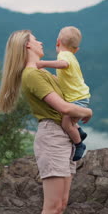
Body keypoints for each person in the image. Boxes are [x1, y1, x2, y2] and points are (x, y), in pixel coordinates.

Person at [0, 30, 92, 214]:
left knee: (61, 206)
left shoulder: (43, 72)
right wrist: (87, 111)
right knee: (52, 208)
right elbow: (63, 107)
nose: (40, 42)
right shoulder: (32, 75)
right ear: (27, 45)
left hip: (64, 137)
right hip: (53, 138)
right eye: (35, 39)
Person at [37, 26, 90, 161]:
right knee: (68, 120)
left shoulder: (64, 55)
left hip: (77, 99)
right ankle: (79, 131)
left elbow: (63, 64)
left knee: (66, 124)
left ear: (58, 43)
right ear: (76, 49)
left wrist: (43, 64)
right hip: (81, 97)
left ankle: (79, 145)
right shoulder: (72, 56)